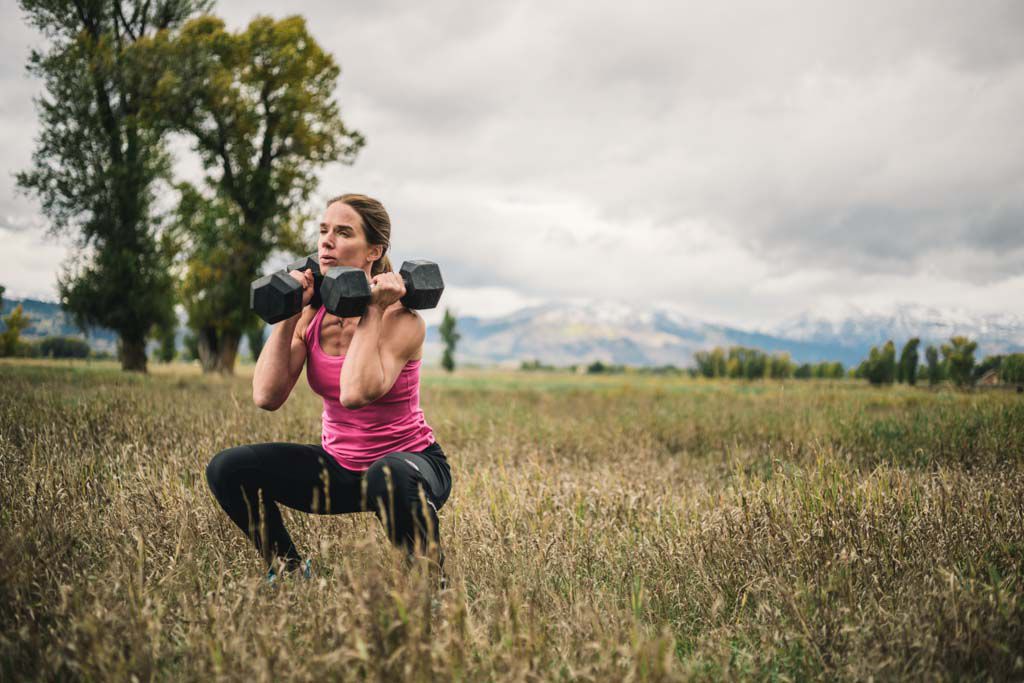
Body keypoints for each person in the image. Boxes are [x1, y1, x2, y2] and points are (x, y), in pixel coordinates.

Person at [205, 193, 452, 587]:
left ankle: (429, 585)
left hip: (410, 468)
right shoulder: (313, 313)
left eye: (342, 232)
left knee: (385, 474)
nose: (326, 241)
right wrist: (287, 314)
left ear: (375, 250)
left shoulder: (402, 320)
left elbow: (355, 393)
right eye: (323, 231)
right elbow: (266, 397)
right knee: (228, 467)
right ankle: (287, 571)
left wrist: (371, 310)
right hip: (340, 469)